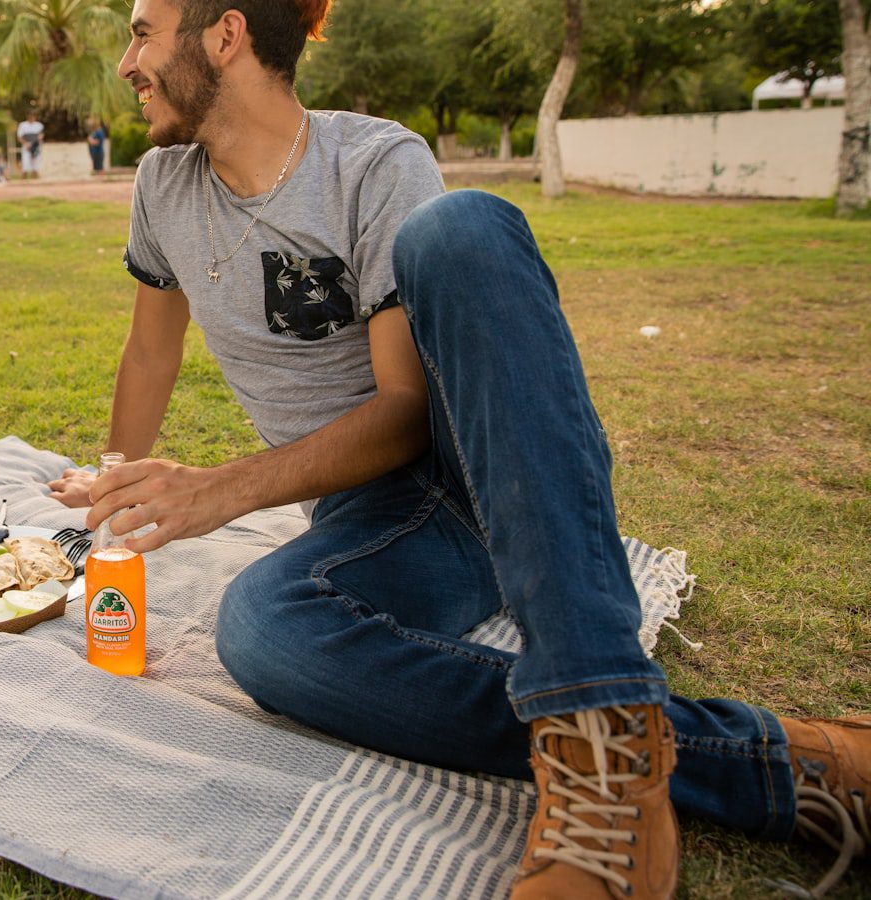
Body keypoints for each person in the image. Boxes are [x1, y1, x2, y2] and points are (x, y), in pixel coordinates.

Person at [46, 0, 870, 896]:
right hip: (370, 519)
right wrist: (110, 492)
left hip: (476, 478)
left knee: (461, 226)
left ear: (225, 35)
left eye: (141, 31)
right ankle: (745, 756)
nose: (126, 60)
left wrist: (224, 490)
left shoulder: (373, 162)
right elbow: (150, 349)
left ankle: (604, 763)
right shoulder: (164, 184)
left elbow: (406, 412)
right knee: (263, 628)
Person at [17, 111, 44, 179]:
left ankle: (35, 183)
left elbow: (41, 136)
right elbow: (19, 137)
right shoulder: (23, 125)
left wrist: (38, 145)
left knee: (35, 166)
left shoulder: (39, 125)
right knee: (25, 165)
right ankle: (23, 183)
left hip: (36, 146)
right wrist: (26, 143)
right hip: (26, 146)